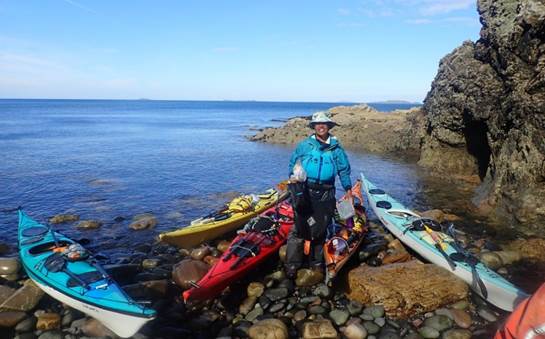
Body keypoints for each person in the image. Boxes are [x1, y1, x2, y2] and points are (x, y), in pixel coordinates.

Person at [285, 111, 352, 278]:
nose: (321, 126)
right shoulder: (304, 145)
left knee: (321, 228)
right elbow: (293, 164)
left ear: (329, 126)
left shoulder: (336, 148)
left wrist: (348, 189)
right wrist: (292, 178)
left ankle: (316, 263)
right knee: (300, 227)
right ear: (313, 126)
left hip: (326, 192)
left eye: (324, 123)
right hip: (305, 190)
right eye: (317, 124)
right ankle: (292, 265)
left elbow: (344, 170)